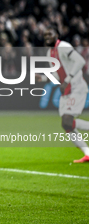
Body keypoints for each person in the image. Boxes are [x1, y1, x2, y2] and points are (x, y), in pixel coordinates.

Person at [38, 26, 89, 163]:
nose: (47, 37)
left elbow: (80, 61)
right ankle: (87, 153)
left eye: (50, 34)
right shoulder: (50, 53)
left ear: (57, 35)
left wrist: (67, 80)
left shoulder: (64, 46)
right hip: (67, 90)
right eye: (45, 35)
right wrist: (43, 78)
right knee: (66, 125)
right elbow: (55, 74)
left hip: (76, 87)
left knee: (67, 121)